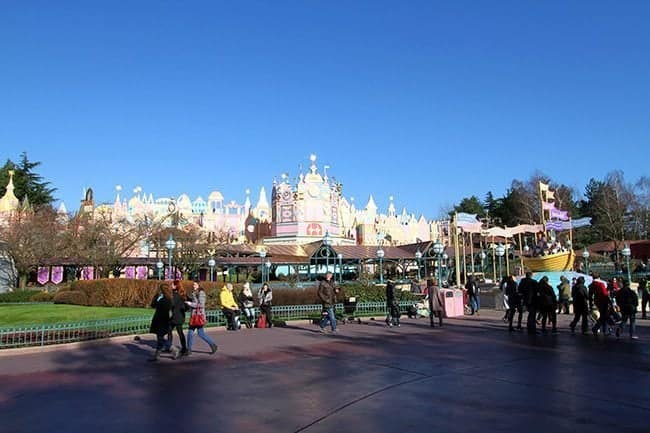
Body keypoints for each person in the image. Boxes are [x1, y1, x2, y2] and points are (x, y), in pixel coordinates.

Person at [185, 281, 218, 355]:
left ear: (199, 285)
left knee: (198, 333)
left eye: (195, 284)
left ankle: (212, 345)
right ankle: (189, 349)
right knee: (194, 333)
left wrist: (191, 304)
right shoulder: (194, 292)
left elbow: (201, 304)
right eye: (193, 284)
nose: (194, 286)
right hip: (195, 316)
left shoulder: (201, 293)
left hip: (198, 316)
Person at [148, 283, 177, 361]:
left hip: (162, 319)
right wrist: (156, 297)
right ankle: (157, 356)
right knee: (159, 338)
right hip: (158, 319)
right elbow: (153, 305)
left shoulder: (167, 299)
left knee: (160, 338)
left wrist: (158, 301)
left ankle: (173, 348)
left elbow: (163, 309)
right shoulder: (161, 297)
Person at [166, 280, 188, 356]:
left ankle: (183, 348)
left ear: (175, 286)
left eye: (172, 285)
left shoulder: (175, 295)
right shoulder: (182, 294)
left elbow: (172, 304)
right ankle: (183, 348)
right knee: (173, 330)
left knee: (177, 332)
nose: (171, 286)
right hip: (179, 316)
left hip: (176, 316)